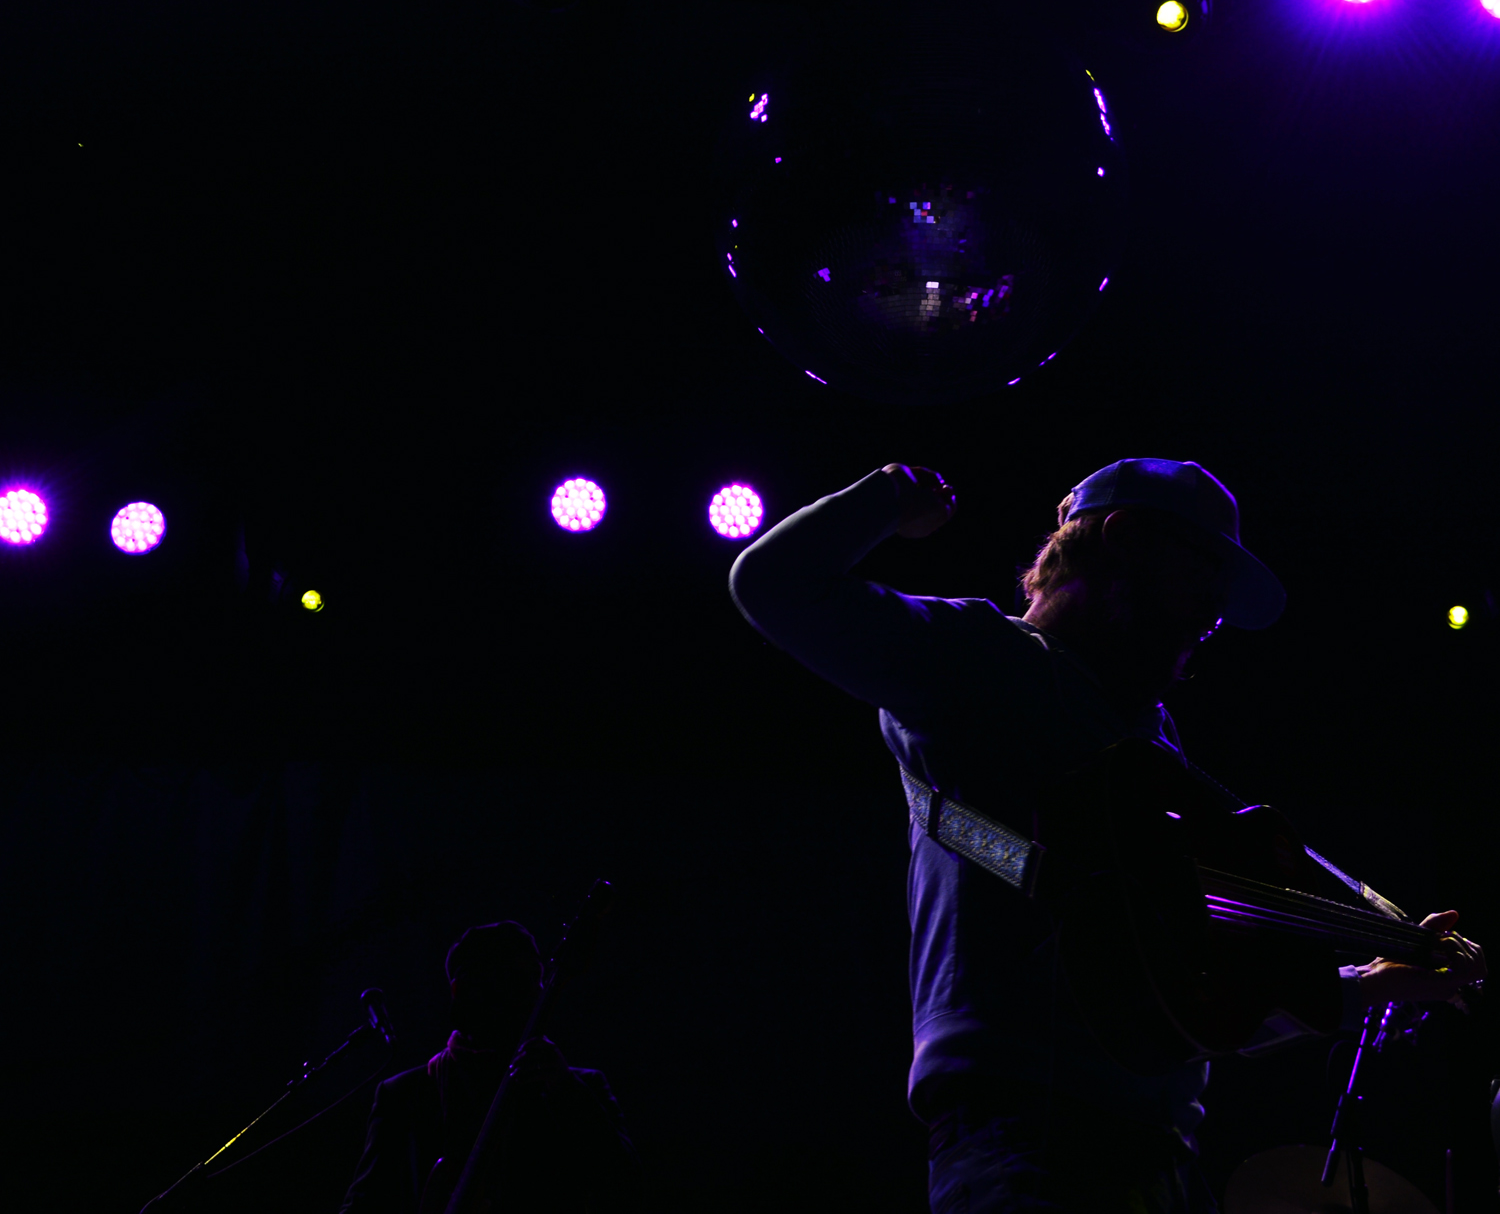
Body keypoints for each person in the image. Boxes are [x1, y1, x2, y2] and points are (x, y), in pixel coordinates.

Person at [728, 458, 1485, 1213]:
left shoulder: (1152, 737)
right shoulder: (982, 660)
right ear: (1123, 538)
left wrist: (1364, 987)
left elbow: (1174, 982)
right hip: (1027, 1142)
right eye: (1204, 575)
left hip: (1162, 1155)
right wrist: (889, 493)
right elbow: (772, 583)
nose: (1214, 613)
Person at [339, 921, 636, 1214]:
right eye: (507, 980)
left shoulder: (578, 1086)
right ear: (461, 990)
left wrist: (567, 1089)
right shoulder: (404, 1095)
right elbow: (364, 1205)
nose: (532, 994)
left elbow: (627, 1189)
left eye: (535, 979)